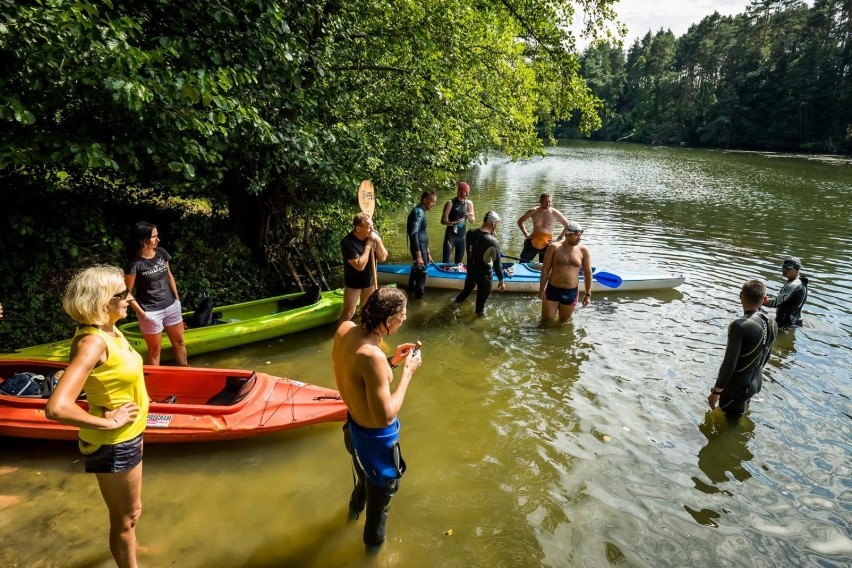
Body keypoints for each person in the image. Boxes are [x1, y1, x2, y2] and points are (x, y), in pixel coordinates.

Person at [45, 266, 149, 568]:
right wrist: (109, 422)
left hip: (131, 433)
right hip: (114, 442)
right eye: (122, 294)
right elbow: (57, 407)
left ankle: (133, 547)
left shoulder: (111, 329)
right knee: (125, 517)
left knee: (132, 512)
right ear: (103, 302)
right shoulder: (93, 342)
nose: (130, 298)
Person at [331, 287, 421, 547]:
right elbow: (385, 416)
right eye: (402, 315)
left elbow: (357, 375)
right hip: (377, 447)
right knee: (378, 515)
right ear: (389, 320)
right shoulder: (372, 357)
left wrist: (391, 361)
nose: (404, 319)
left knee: (363, 483)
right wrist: (408, 373)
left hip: (352, 434)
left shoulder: (345, 329)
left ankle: (349, 518)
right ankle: (372, 557)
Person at [708, 279, 778, 418]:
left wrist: (716, 393)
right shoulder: (772, 322)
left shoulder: (739, 326)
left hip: (736, 390)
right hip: (755, 383)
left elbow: (729, 364)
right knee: (740, 417)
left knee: (730, 428)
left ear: (741, 296)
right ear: (764, 299)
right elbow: (766, 356)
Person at [124, 222, 187, 366]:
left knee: (180, 342)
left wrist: (177, 300)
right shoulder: (135, 264)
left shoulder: (161, 253)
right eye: (154, 237)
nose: (158, 240)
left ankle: (185, 370)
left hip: (172, 306)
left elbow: (169, 276)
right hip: (150, 312)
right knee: (155, 350)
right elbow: (126, 292)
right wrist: (141, 313)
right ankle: (154, 384)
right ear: (143, 240)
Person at [339, 213, 389, 325]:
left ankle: (362, 336)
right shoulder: (347, 242)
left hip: (369, 280)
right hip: (354, 282)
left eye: (373, 226)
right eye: (369, 227)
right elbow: (359, 266)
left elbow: (383, 257)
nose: (372, 229)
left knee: (365, 311)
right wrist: (368, 246)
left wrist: (378, 241)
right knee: (349, 313)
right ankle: (338, 336)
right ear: (358, 228)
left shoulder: (373, 234)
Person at [539, 221, 592, 322]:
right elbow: (545, 269)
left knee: (563, 321)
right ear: (567, 235)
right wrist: (542, 290)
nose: (579, 237)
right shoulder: (553, 247)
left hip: (570, 292)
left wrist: (587, 294)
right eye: (576, 235)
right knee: (546, 320)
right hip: (553, 289)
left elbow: (588, 273)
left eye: (580, 235)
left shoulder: (584, 250)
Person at [454, 211, 505, 314]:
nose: (498, 225)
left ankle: (453, 306)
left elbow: (477, 244)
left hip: (471, 273)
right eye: (497, 223)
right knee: (480, 308)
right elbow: (497, 265)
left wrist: (490, 235)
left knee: (464, 294)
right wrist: (501, 280)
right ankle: (478, 324)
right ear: (493, 223)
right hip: (484, 277)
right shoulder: (493, 242)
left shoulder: (470, 232)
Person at [516, 193, 571, 262]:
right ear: (540, 201)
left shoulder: (555, 213)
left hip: (547, 244)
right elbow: (520, 221)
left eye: (549, 202)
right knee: (523, 264)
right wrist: (526, 234)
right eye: (545, 202)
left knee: (545, 267)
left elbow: (568, 225)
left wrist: (559, 239)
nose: (548, 204)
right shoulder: (533, 211)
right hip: (532, 242)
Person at [406, 190, 438, 299]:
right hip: (419, 249)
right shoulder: (418, 212)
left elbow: (421, 233)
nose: (433, 204)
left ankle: (409, 297)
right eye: (432, 201)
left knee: (415, 274)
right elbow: (413, 234)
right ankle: (419, 302)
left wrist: (427, 252)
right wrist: (419, 256)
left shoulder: (420, 211)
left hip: (422, 249)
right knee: (422, 277)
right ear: (425, 200)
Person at [764, 256, 808, 327]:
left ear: (797, 269)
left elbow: (776, 302)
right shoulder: (801, 282)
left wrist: (758, 299)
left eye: (788, 268)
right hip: (794, 322)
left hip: (785, 325)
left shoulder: (793, 285)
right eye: (783, 267)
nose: (783, 270)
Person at [440, 181, 475, 264]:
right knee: (446, 262)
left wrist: (470, 216)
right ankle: (442, 275)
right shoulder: (450, 203)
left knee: (458, 263)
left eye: (468, 192)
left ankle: (456, 276)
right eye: (466, 192)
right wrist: (453, 223)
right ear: (459, 192)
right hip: (450, 237)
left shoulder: (469, 203)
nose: (467, 194)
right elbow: (443, 221)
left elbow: (473, 221)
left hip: (462, 237)